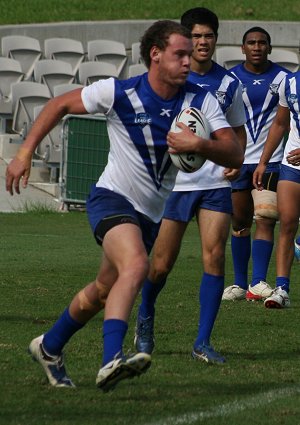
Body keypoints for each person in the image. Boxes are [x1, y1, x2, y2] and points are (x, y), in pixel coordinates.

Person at [6, 20, 243, 390]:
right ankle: (111, 359)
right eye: (179, 54)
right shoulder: (119, 92)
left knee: (104, 289)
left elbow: (234, 151)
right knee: (137, 265)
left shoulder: (201, 99)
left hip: (150, 216)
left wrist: (200, 146)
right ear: (155, 55)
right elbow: (59, 104)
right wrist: (24, 152)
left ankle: (49, 346)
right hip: (111, 198)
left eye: (188, 54)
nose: (188, 61)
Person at [134, 7, 246, 364]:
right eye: (195, 36)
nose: (202, 42)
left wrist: (233, 162)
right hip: (175, 185)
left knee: (214, 257)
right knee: (161, 264)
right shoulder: (166, 79)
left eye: (208, 36)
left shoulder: (229, 85)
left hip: (214, 184)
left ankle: (202, 342)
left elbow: (238, 133)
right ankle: (145, 316)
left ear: (216, 39)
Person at [222, 27, 290, 302]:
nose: (257, 47)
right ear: (242, 48)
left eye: (262, 42)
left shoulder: (283, 78)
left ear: (270, 47)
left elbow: (284, 120)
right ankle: (239, 285)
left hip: (270, 160)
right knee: (239, 222)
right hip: (238, 160)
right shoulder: (231, 79)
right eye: (251, 42)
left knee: (266, 218)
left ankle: (258, 281)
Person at [253, 71, 300, 308]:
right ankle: (282, 289)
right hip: (292, 163)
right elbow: (280, 122)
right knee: (287, 222)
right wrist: (263, 161)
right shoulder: (289, 82)